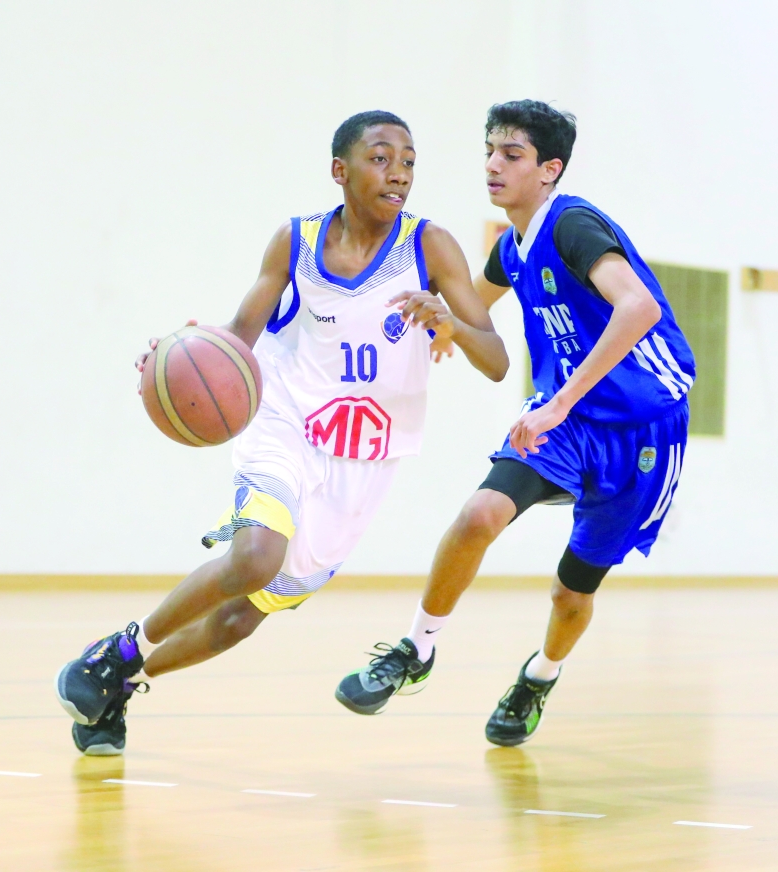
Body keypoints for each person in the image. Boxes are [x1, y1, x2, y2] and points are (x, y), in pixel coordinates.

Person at [54, 110, 509, 755]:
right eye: (381, 158)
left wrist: (453, 325)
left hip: (365, 457)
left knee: (243, 616)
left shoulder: (431, 247)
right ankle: (117, 649)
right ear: (340, 170)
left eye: (409, 161)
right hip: (285, 421)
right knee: (254, 556)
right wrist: (179, 358)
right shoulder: (294, 241)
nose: (399, 173)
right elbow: (240, 338)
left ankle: (123, 682)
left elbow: (498, 364)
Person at [335, 100, 695, 746]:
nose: (493, 165)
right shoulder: (512, 248)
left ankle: (540, 676)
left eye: (512, 154)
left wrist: (557, 400)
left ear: (550, 170)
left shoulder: (574, 226)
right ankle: (415, 650)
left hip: (643, 428)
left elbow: (637, 307)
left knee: (569, 594)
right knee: (479, 516)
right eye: (490, 151)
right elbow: (474, 312)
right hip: (567, 420)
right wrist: (441, 321)